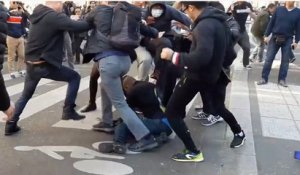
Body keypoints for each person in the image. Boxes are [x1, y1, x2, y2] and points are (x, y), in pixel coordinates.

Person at [160, 1, 245, 162]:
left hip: (196, 76)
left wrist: (172, 55)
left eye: (186, 9)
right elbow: (226, 51)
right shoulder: (218, 21)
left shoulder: (204, 26)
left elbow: (201, 58)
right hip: (213, 75)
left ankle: (193, 152)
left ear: (191, 7)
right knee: (218, 107)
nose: (186, 13)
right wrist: (195, 39)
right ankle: (239, 132)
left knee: (171, 112)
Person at [5, 1, 92, 136]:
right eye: (62, 4)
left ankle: (10, 125)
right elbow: (80, 26)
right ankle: (68, 110)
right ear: (57, 4)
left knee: (25, 95)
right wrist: (94, 16)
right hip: (43, 64)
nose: (63, 7)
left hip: (31, 63)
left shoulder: (38, 14)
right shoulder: (54, 16)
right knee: (75, 77)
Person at [84, 1, 159, 153]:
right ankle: (106, 122)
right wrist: (155, 30)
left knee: (120, 103)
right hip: (124, 59)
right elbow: (151, 32)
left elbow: (80, 25)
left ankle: (145, 137)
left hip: (109, 61)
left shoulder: (99, 10)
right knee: (105, 86)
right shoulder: (128, 13)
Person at [98, 75, 172, 154]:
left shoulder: (133, 91)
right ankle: (158, 137)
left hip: (158, 122)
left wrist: (117, 123)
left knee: (125, 124)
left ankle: (118, 143)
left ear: (126, 87)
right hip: (168, 124)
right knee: (136, 127)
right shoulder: (148, 85)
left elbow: (127, 114)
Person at [257, 1, 300, 87]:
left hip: (288, 39)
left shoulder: (298, 12)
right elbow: (271, 23)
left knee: (285, 62)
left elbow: (299, 27)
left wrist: (296, 41)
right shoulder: (279, 10)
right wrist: (266, 35)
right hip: (275, 37)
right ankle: (264, 78)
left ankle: (282, 80)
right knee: (269, 59)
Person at [229, 0, 255, 69]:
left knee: (247, 47)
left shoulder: (248, 5)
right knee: (228, 48)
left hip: (242, 30)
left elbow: (253, 16)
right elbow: (228, 16)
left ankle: (246, 64)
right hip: (233, 29)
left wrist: (250, 12)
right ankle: (225, 63)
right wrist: (231, 11)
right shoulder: (233, 5)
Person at [6, 1, 29, 79]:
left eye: (18, 4)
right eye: (15, 3)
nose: (17, 5)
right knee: (12, 56)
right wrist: (10, 10)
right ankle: (11, 72)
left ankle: (20, 70)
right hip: (11, 37)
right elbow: (3, 17)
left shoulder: (21, 14)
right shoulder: (8, 13)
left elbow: (29, 18)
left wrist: (24, 10)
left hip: (20, 37)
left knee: (22, 55)